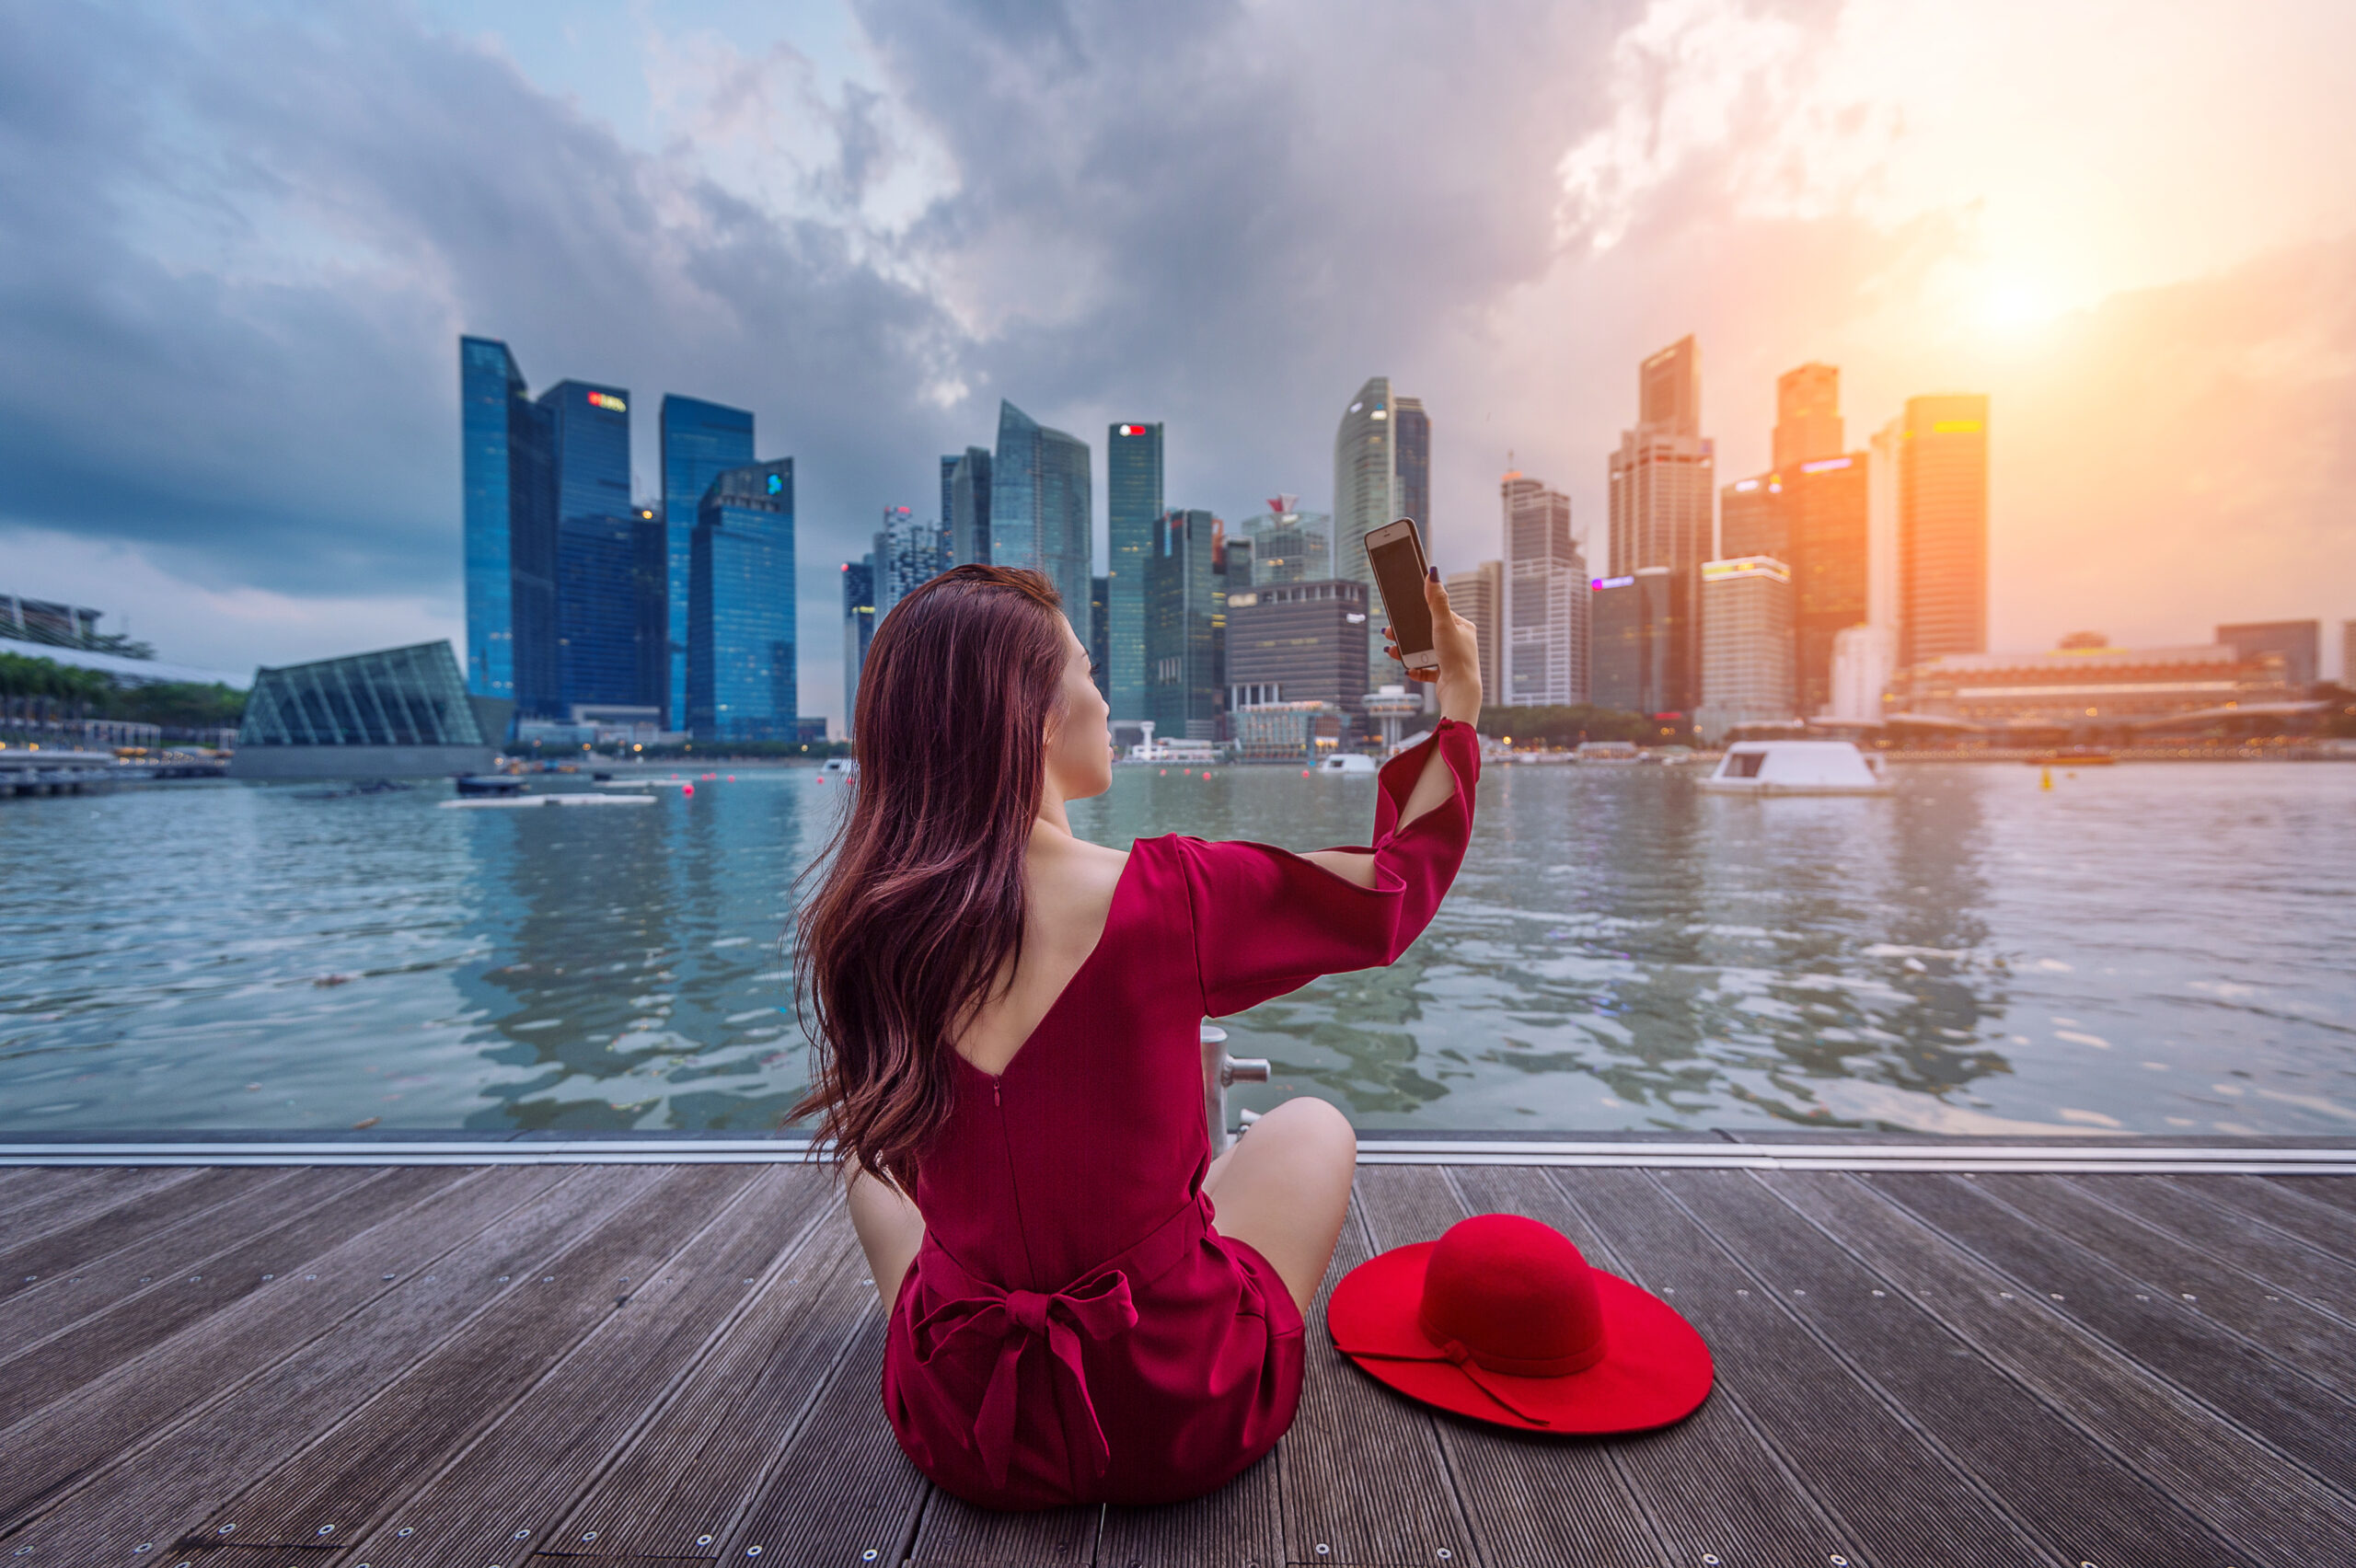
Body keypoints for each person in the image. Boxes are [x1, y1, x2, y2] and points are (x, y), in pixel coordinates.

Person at [791, 560, 1481, 1509]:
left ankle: (976, 1338)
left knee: (868, 1172)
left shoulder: (871, 927)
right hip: (1181, 1415)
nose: (1104, 701)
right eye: (1085, 670)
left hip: (963, 1431)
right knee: (1312, 1124)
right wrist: (1459, 706)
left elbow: (915, 1162)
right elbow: (1395, 891)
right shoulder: (1171, 895)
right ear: (1033, 711)